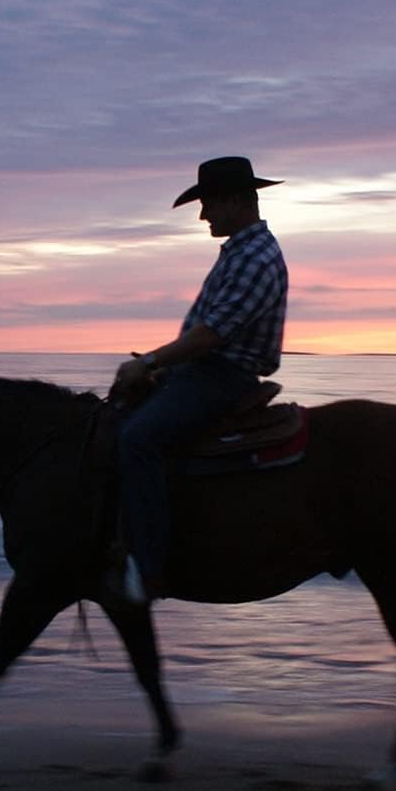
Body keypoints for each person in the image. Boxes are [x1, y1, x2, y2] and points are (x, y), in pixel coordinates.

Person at [111, 156, 289, 604]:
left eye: (208, 203)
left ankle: (150, 570)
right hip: (204, 370)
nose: (203, 214)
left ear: (235, 201)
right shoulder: (242, 252)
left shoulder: (256, 257)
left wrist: (149, 362)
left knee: (138, 441)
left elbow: (211, 334)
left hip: (223, 374)